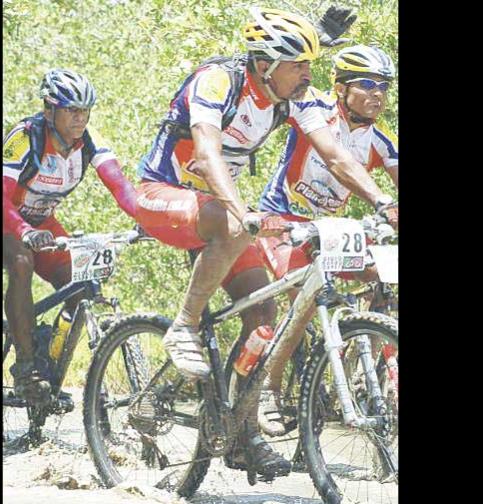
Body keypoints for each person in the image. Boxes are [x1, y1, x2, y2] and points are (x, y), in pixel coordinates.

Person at [132, 6, 396, 477]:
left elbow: (335, 156)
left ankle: (241, 431)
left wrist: (382, 202)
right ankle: (184, 325)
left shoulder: (293, 93)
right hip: (160, 194)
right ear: (266, 65)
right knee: (232, 227)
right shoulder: (216, 82)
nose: (309, 75)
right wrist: (240, 210)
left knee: (262, 315)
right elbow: (208, 151)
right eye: (300, 67)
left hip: (216, 209)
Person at [254, 44, 399, 435]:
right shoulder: (314, 109)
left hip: (328, 231)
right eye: (366, 84)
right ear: (340, 88)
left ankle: (360, 348)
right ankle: (268, 388)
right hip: (282, 224)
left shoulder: (381, 143)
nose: (377, 94)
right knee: (302, 303)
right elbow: (282, 81)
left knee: (383, 275)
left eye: (384, 86)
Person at [3, 69, 137, 407]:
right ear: (49, 110)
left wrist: (149, 220)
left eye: (85, 110)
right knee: (21, 262)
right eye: (71, 110)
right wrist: (24, 231)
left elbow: (122, 189)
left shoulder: (89, 141)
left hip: (40, 222)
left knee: (80, 285)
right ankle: (26, 366)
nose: (80, 118)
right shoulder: (26, 136)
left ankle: (49, 362)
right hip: (10, 219)